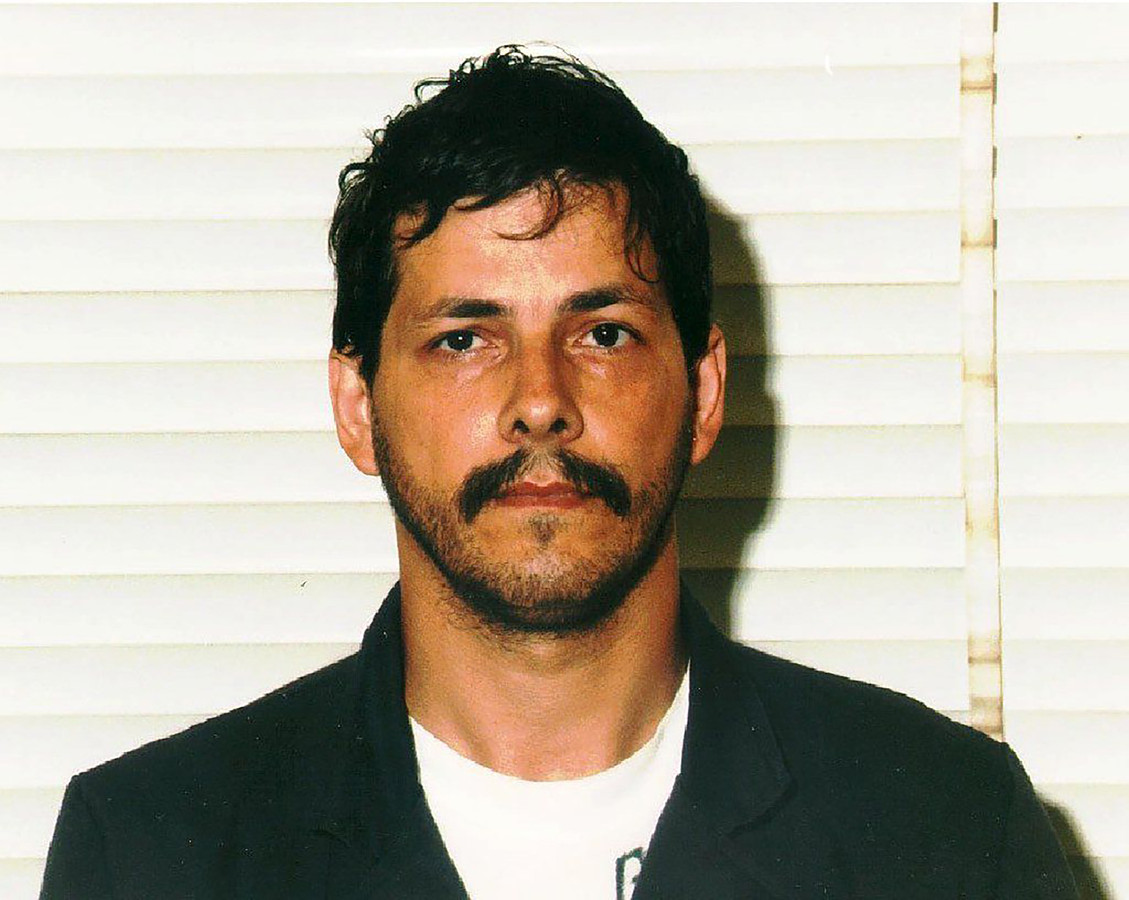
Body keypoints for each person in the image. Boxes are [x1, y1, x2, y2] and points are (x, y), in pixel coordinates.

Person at [41, 46, 1077, 900]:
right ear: (358, 407)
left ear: (702, 392)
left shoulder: (944, 832)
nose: (539, 400)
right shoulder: (153, 856)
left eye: (603, 333)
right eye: (463, 339)